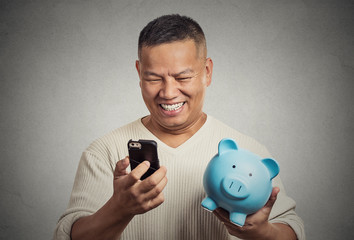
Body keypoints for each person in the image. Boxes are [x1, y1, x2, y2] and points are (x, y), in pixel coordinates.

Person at [53, 14, 305, 240]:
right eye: (153, 78)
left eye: (183, 77)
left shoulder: (249, 152)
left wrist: (262, 232)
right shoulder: (104, 151)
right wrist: (119, 209)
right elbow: (68, 236)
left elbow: (291, 230)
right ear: (139, 73)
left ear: (207, 72)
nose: (169, 92)